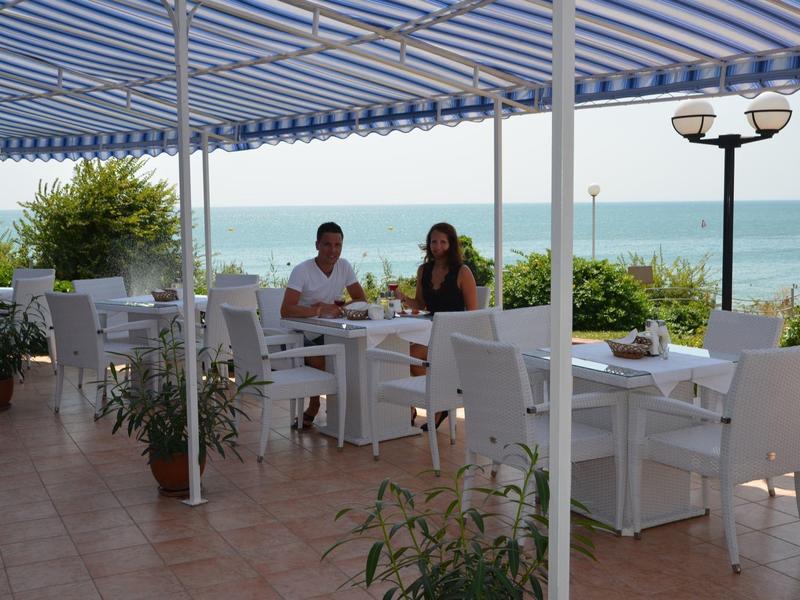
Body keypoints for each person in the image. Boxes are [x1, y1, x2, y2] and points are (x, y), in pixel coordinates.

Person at [281, 222, 366, 428]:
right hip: (298, 334)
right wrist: (318, 310)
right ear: (317, 245)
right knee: (322, 359)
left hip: (328, 331)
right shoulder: (302, 270)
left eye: (338, 245)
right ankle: (315, 405)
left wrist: (339, 309)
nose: (333, 250)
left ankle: (350, 411)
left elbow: (361, 299)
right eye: (327, 244)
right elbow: (286, 310)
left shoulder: (344, 266)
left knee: (357, 353)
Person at [397, 222, 478, 430]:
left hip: (453, 333)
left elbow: (473, 312)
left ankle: (438, 403)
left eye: (443, 242)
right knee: (400, 353)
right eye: (434, 241)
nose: (438, 246)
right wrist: (401, 297)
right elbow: (421, 304)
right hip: (428, 331)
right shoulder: (423, 271)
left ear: (451, 244)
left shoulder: (462, 272)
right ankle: (425, 404)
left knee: (412, 358)